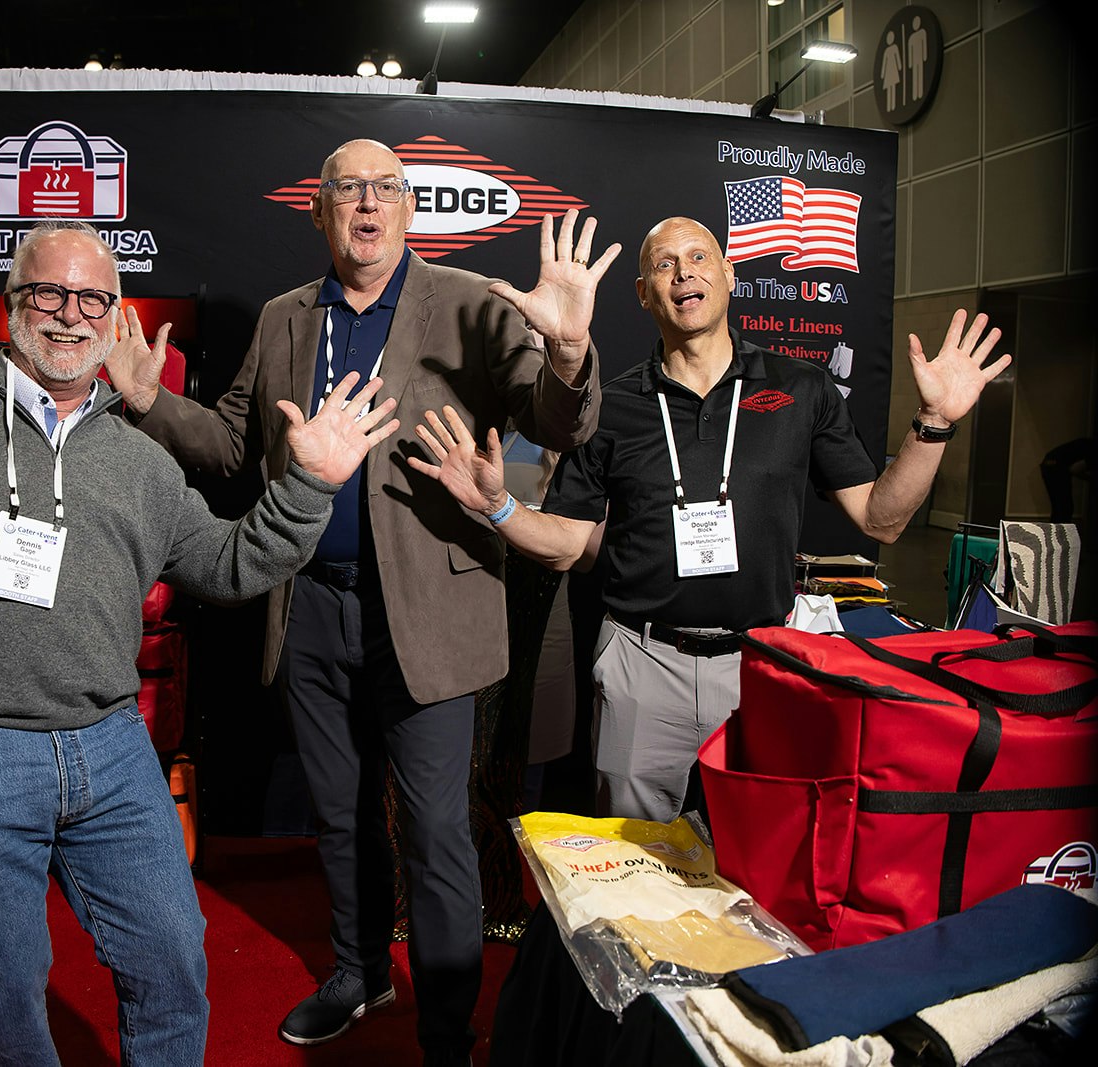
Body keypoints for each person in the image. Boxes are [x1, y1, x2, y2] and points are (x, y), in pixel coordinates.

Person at [0, 215, 399, 1066]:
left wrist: (308, 487)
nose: (70, 314)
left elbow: (232, 563)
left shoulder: (139, 460)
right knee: (2, 998)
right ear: (12, 302)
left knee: (173, 960)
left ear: (117, 313)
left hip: (110, 745)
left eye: (92, 297)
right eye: (49, 292)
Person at [104, 138, 613, 1064]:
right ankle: (358, 970)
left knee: (435, 828)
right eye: (349, 190)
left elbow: (556, 422)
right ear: (321, 210)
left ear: (409, 209)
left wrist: (570, 350)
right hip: (311, 609)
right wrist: (147, 403)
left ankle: (449, 1025)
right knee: (336, 814)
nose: (367, 205)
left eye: (385, 189)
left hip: (430, 613)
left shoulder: (466, 305)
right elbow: (227, 444)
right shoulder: (285, 318)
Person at [410, 215, 1010, 824]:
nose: (683, 274)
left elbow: (880, 519)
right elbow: (568, 543)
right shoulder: (610, 406)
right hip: (642, 666)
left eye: (699, 258)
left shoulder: (802, 389)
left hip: (758, 663)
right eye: (664, 265)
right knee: (632, 869)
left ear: (728, 274)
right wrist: (499, 508)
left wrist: (934, 424)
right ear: (644, 294)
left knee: (754, 859)